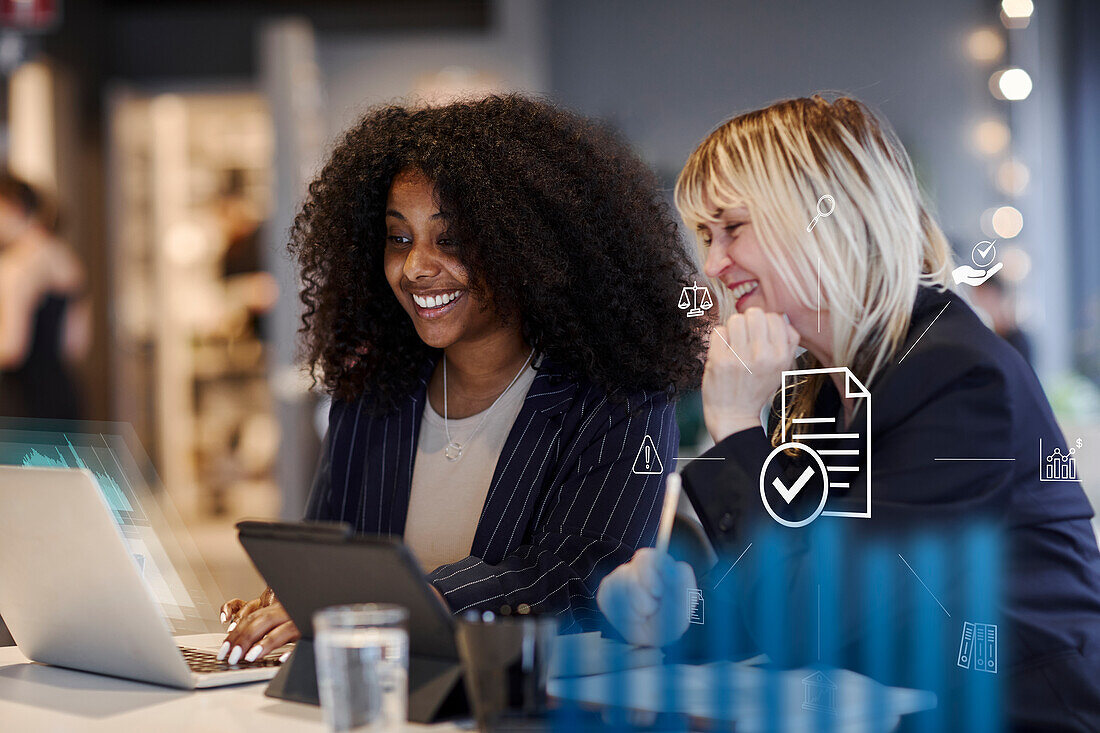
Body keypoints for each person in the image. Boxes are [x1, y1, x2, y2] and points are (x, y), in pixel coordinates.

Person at [598, 96, 1100, 728]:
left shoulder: (956, 376)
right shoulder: (819, 380)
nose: (714, 264)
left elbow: (810, 617)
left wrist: (734, 431)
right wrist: (679, 610)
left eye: (732, 227)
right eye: (705, 236)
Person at [217, 95, 708, 666]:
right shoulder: (374, 390)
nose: (416, 266)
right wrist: (294, 601)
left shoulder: (619, 399)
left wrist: (402, 604)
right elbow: (334, 558)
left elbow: (581, 573)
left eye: (449, 239)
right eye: (399, 238)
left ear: (530, 246)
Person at [0, 174, 89, 419]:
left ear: (12, 207)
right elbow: (76, 345)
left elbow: (11, 348)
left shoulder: (16, 265)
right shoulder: (67, 261)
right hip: (62, 393)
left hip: (22, 399)